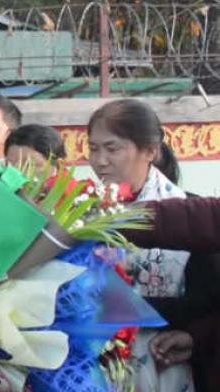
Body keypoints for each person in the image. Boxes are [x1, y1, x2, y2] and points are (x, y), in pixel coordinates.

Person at [88, 98, 200, 392]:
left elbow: (205, 303)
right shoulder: (83, 214)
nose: (100, 160)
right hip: (96, 365)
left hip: (161, 366)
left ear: (149, 151)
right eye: (93, 148)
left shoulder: (188, 216)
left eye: (112, 149)